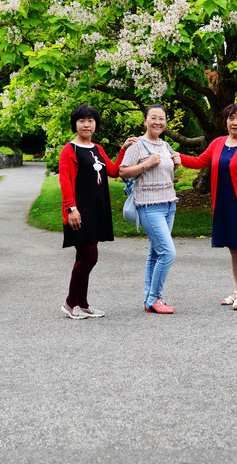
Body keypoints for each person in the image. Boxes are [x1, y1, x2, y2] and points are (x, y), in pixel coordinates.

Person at [174, 103, 237, 311]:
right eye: (231, 118)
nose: (235, 122)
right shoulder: (218, 143)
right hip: (224, 205)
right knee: (234, 250)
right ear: (226, 121)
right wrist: (180, 158)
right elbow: (199, 161)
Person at [59, 104, 137, 319]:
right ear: (75, 124)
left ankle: (82, 304)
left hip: (97, 210)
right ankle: (69, 302)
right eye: (82, 120)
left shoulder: (97, 148)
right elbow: (65, 182)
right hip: (79, 211)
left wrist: (123, 150)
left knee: (84, 257)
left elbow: (112, 171)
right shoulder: (69, 149)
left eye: (91, 120)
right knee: (89, 257)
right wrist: (71, 209)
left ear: (95, 124)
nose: (86, 124)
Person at [119, 104, 179, 314]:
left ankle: (150, 300)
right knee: (168, 252)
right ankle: (155, 299)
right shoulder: (137, 145)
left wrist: (176, 164)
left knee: (155, 253)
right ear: (145, 120)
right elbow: (123, 172)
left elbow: (166, 174)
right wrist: (147, 164)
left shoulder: (166, 146)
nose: (157, 122)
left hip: (169, 205)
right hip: (149, 207)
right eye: (153, 118)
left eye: (161, 118)